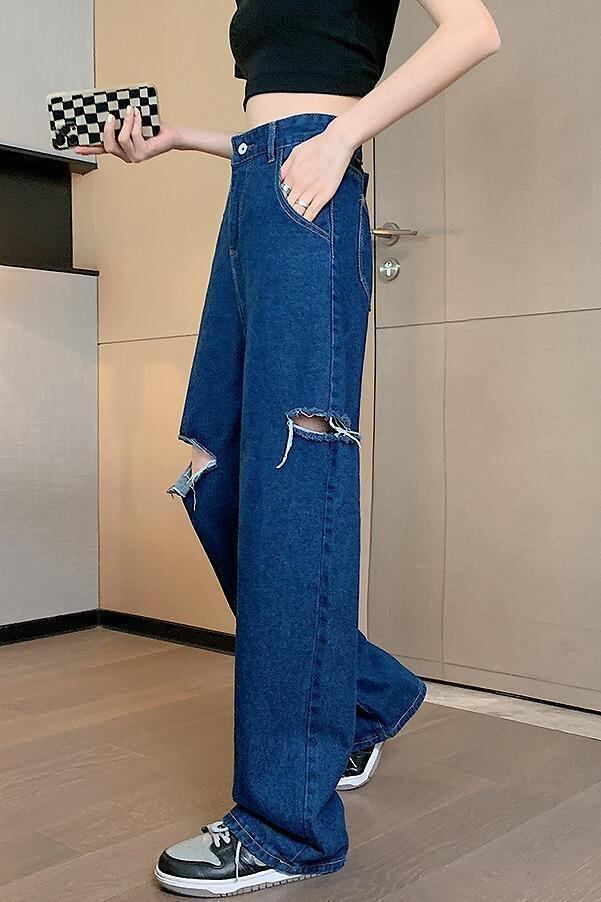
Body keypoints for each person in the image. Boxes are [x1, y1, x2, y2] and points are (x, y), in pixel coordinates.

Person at [77, 0, 500, 895]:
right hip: (254, 185)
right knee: (220, 474)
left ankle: (285, 825)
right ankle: (365, 694)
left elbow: (473, 30)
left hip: (311, 190)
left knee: (292, 490)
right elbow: (278, 99)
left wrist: (341, 138)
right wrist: (182, 139)